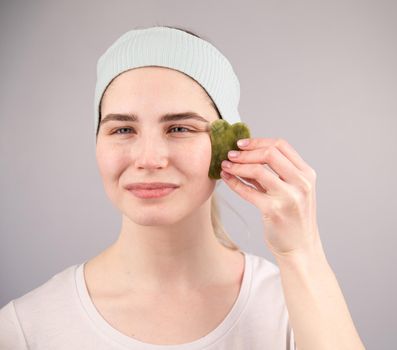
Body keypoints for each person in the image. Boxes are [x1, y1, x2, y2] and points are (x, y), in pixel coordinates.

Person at [0, 26, 365, 349]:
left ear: (229, 144)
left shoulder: (292, 306)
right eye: (122, 129)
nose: (149, 158)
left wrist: (301, 252)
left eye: (180, 128)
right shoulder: (26, 327)